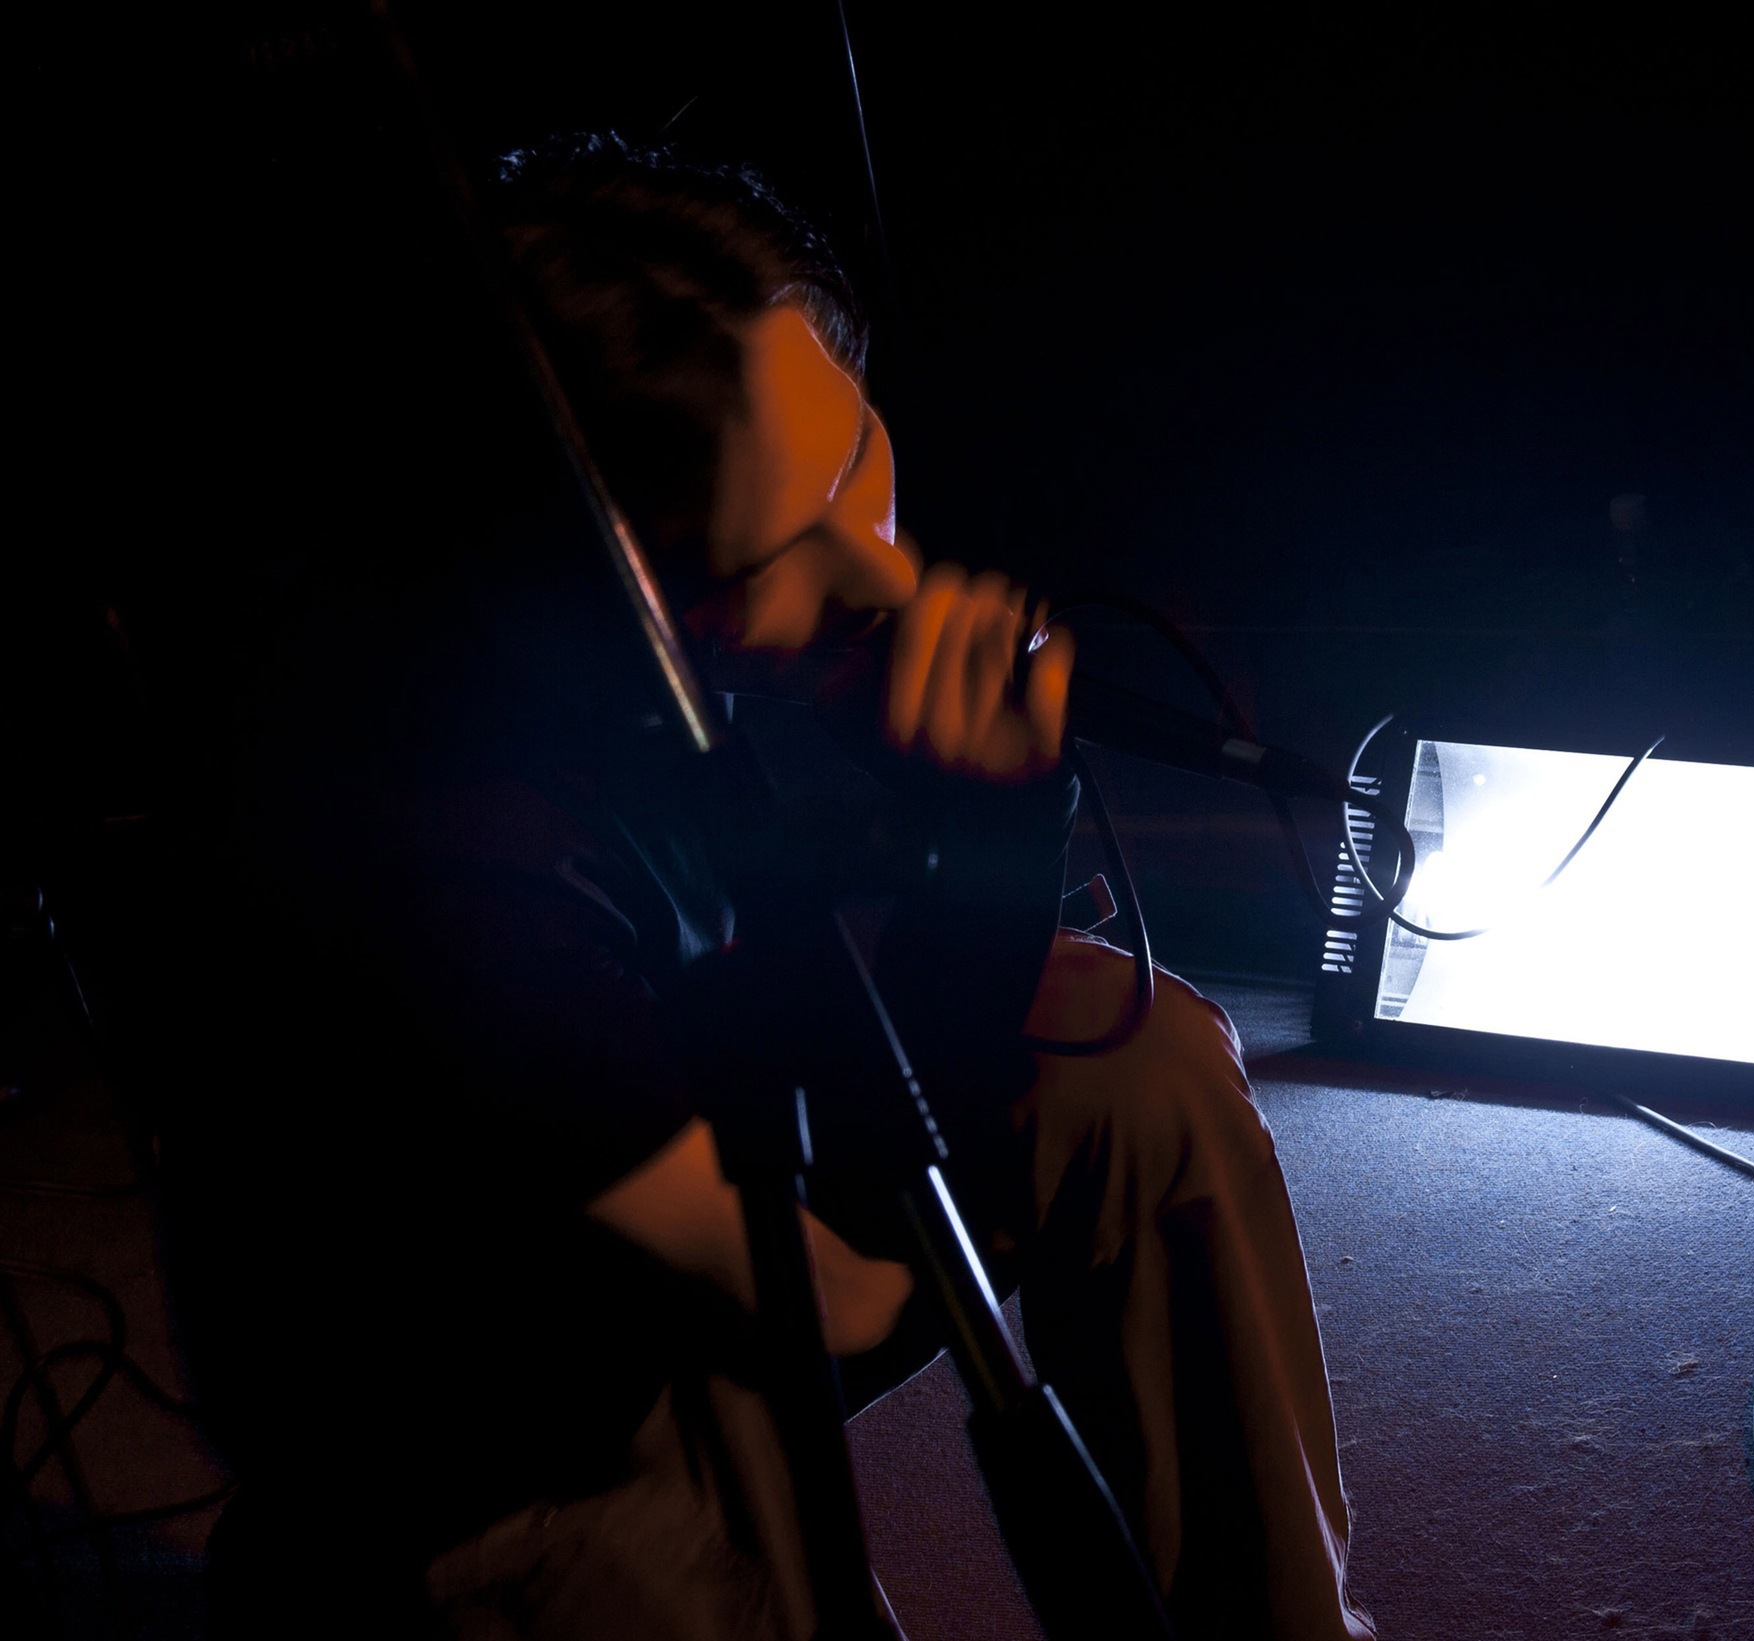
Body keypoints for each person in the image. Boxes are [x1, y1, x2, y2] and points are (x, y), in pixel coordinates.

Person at [173, 134, 1376, 1641]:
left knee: (1138, 1064)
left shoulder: (640, 690)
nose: (878, 572)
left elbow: (811, 1027)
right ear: (583, 590)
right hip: (505, 1440)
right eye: (773, 556)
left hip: (683, 1196)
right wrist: (994, 842)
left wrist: (945, 843)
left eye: (858, 461)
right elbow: (846, 1293)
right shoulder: (449, 879)